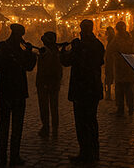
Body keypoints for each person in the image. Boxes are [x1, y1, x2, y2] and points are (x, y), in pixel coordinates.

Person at [0, 23, 37, 166]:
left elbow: (28, 67)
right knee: (14, 125)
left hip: (8, 91)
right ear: (17, 35)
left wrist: (29, 52)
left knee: (8, 124)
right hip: (14, 91)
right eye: (20, 35)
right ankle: (9, 156)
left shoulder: (6, 47)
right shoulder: (7, 48)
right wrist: (26, 54)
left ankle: (5, 156)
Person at [60, 19, 105, 165]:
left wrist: (64, 51)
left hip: (81, 89)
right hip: (93, 88)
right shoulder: (98, 44)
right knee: (92, 120)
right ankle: (94, 151)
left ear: (82, 29)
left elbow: (67, 62)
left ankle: (85, 152)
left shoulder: (80, 46)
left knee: (82, 122)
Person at [36, 31, 63, 138]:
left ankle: (46, 127)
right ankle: (54, 129)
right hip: (54, 82)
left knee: (44, 106)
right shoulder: (56, 50)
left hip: (45, 82)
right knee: (54, 106)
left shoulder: (47, 51)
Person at [112, 21, 134, 116]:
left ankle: (122, 108)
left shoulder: (118, 39)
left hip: (122, 67)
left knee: (121, 90)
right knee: (127, 89)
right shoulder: (129, 38)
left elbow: (113, 50)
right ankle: (129, 107)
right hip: (127, 67)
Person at [103, 26, 115, 101]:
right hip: (110, 61)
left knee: (109, 77)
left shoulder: (112, 40)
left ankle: (108, 94)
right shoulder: (112, 39)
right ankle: (108, 94)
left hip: (111, 61)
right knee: (109, 78)